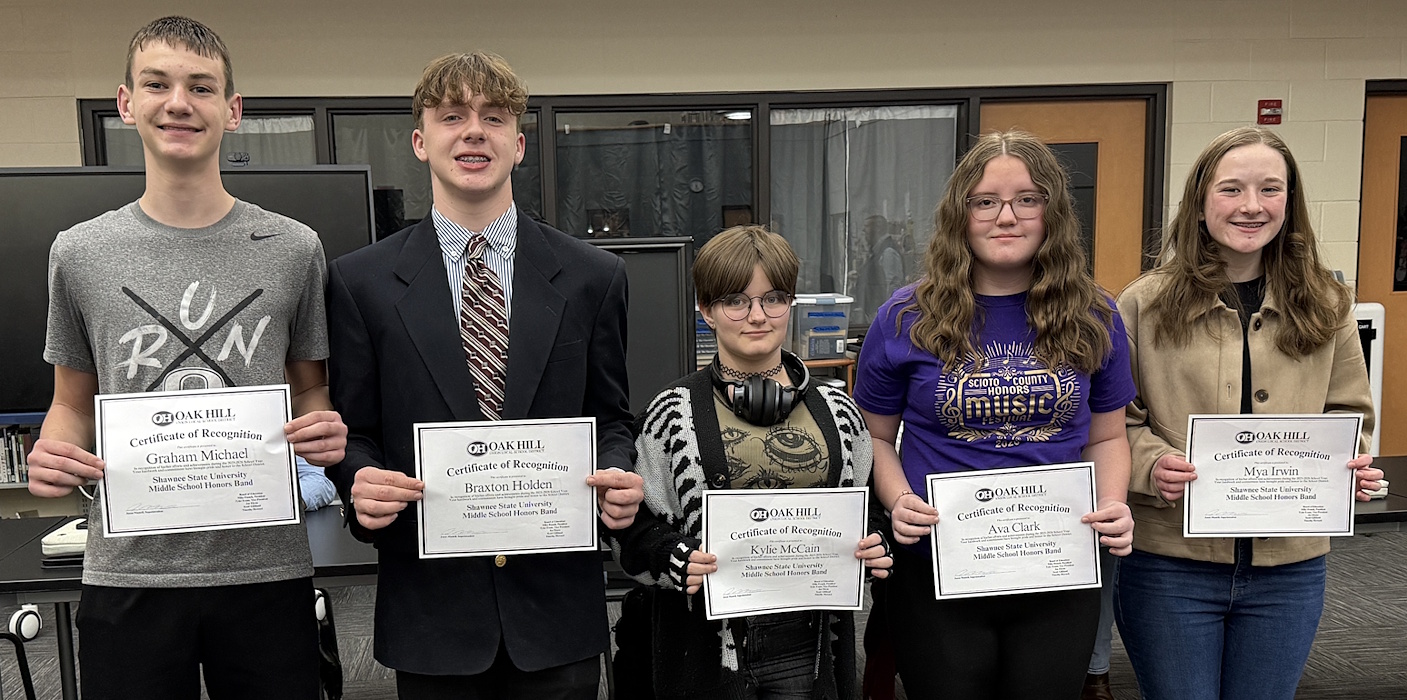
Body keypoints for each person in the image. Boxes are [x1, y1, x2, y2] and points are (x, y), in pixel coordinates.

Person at [25, 16, 347, 699]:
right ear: (126, 103)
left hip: (265, 568)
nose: (179, 103)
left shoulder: (294, 248)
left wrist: (323, 428)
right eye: (157, 84)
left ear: (232, 110)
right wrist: (54, 452)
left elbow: (310, 391)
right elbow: (70, 405)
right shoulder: (79, 252)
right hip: (129, 572)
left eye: (201, 87)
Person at [324, 52, 643, 699]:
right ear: (420, 141)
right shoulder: (360, 283)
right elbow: (353, 432)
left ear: (518, 145)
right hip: (432, 614)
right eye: (452, 116)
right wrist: (358, 481)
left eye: (493, 117)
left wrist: (616, 472)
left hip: (555, 611)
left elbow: (611, 418)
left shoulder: (593, 277)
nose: (474, 131)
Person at [853, 130, 1136, 699]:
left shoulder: (1094, 314)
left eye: (1027, 199)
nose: (1006, 216)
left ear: (1052, 212)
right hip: (937, 564)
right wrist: (898, 499)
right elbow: (874, 438)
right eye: (985, 201)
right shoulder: (905, 316)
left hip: (1057, 565)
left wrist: (1112, 502)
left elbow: (1107, 437)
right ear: (960, 215)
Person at [1114, 125, 1383, 700]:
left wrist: (1349, 463)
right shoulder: (1142, 303)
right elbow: (1118, 422)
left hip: (1290, 569)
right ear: (1200, 202)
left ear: (1290, 201)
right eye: (1231, 189)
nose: (1252, 205)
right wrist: (1153, 464)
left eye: (1270, 188)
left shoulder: (1328, 303)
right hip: (1171, 564)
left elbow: (1349, 413)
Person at [608, 225, 891, 699]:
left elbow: (871, 508)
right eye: (736, 301)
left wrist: (876, 542)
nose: (757, 315)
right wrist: (674, 558)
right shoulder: (669, 415)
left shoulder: (840, 413)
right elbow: (627, 528)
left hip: (807, 646)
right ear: (706, 310)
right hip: (704, 649)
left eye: (773, 298)